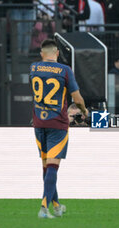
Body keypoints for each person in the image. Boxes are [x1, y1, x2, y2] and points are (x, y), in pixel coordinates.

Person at [30, 39, 88, 218]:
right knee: (53, 167)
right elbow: (76, 98)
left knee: (47, 167)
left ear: (42, 54)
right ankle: (43, 207)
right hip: (58, 123)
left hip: (39, 121)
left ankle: (56, 205)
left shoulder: (34, 68)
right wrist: (84, 111)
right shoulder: (64, 71)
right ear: (57, 53)